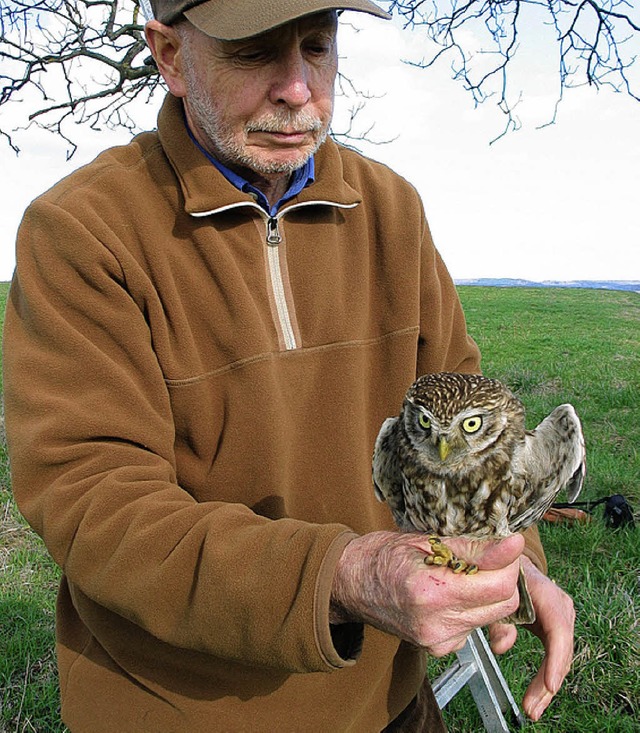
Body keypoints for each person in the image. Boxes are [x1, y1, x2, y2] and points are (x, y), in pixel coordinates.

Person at [2, 1, 575, 730]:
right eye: (253, 53)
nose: (299, 88)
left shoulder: (391, 210)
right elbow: (98, 505)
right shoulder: (82, 232)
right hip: (182, 710)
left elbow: (476, 438)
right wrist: (342, 577)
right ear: (170, 55)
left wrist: (516, 564)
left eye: (316, 45)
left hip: (386, 698)